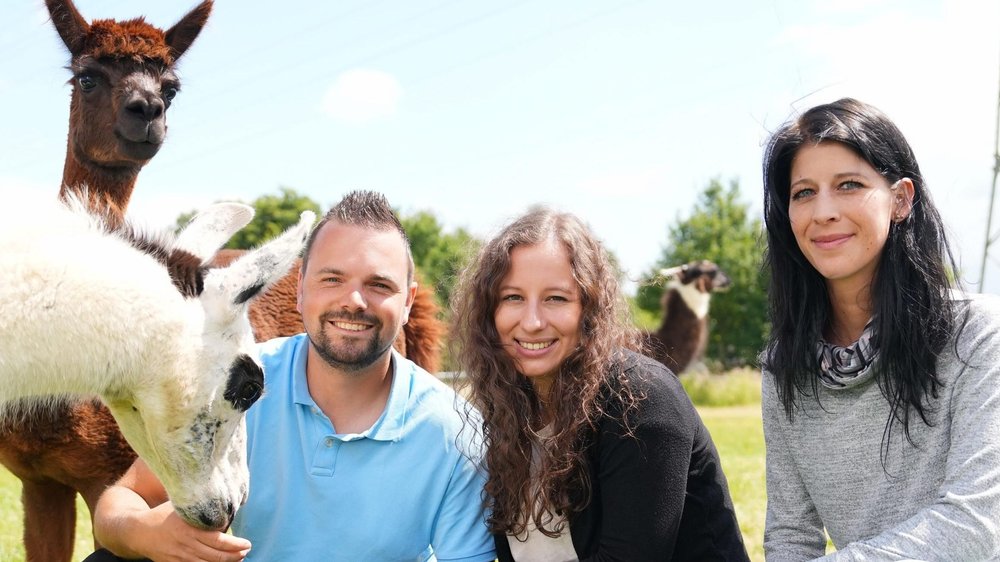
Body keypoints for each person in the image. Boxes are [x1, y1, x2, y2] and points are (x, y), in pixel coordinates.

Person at [87, 190, 496, 561]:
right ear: (300, 289)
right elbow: (122, 502)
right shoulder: (236, 386)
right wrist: (147, 533)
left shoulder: (454, 432)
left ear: (407, 302)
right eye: (332, 279)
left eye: (379, 284)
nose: (353, 301)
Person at [761, 97, 1000, 560]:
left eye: (849, 184)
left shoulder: (977, 334)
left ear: (901, 199)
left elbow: (978, 526)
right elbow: (791, 537)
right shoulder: (782, 366)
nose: (823, 211)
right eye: (803, 192)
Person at [449, 207, 749, 561]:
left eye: (555, 298)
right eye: (512, 297)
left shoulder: (642, 400)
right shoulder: (511, 406)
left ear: (589, 308)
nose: (531, 322)